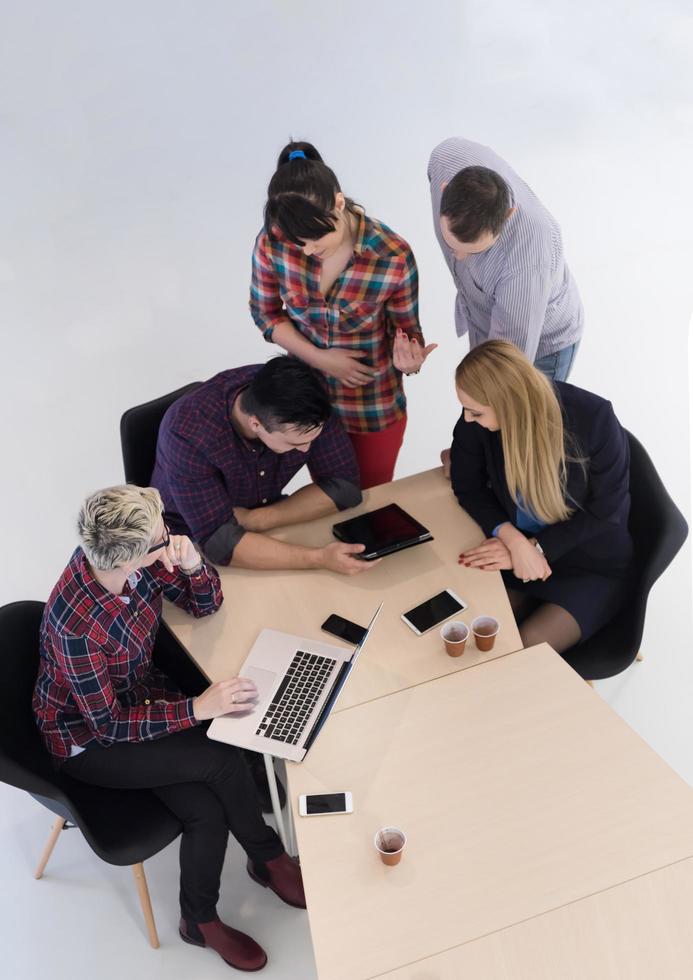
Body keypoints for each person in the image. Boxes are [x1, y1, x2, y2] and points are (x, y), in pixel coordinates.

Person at [33, 485, 304, 971]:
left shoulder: (132, 565)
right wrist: (197, 708)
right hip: (89, 741)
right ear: (132, 558)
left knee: (205, 810)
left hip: (136, 698)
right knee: (221, 759)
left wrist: (194, 565)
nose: (171, 539)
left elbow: (204, 605)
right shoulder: (76, 626)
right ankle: (264, 860)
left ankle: (204, 913)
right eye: (163, 539)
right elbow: (109, 725)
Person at [250, 140, 437, 489]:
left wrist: (409, 358)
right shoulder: (273, 241)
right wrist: (322, 359)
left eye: (316, 238)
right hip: (305, 403)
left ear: (339, 203)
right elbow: (266, 314)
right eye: (298, 243)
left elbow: (407, 331)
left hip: (372, 405)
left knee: (369, 500)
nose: (308, 250)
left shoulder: (392, 255)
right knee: (327, 501)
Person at [450, 341, 633, 658]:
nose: (467, 419)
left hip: (587, 564)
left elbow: (608, 511)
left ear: (508, 403)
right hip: (517, 554)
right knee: (477, 631)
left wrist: (537, 548)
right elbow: (468, 487)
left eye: (476, 412)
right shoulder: (477, 419)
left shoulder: (594, 418)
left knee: (523, 649)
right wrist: (512, 539)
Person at [151, 356, 373, 575]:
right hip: (184, 543)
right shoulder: (187, 433)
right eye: (295, 443)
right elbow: (221, 544)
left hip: (259, 520)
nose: (307, 450)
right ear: (256, 424)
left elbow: (345, 489)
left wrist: (257, 519)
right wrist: (318, 558)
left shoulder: (308, 400)